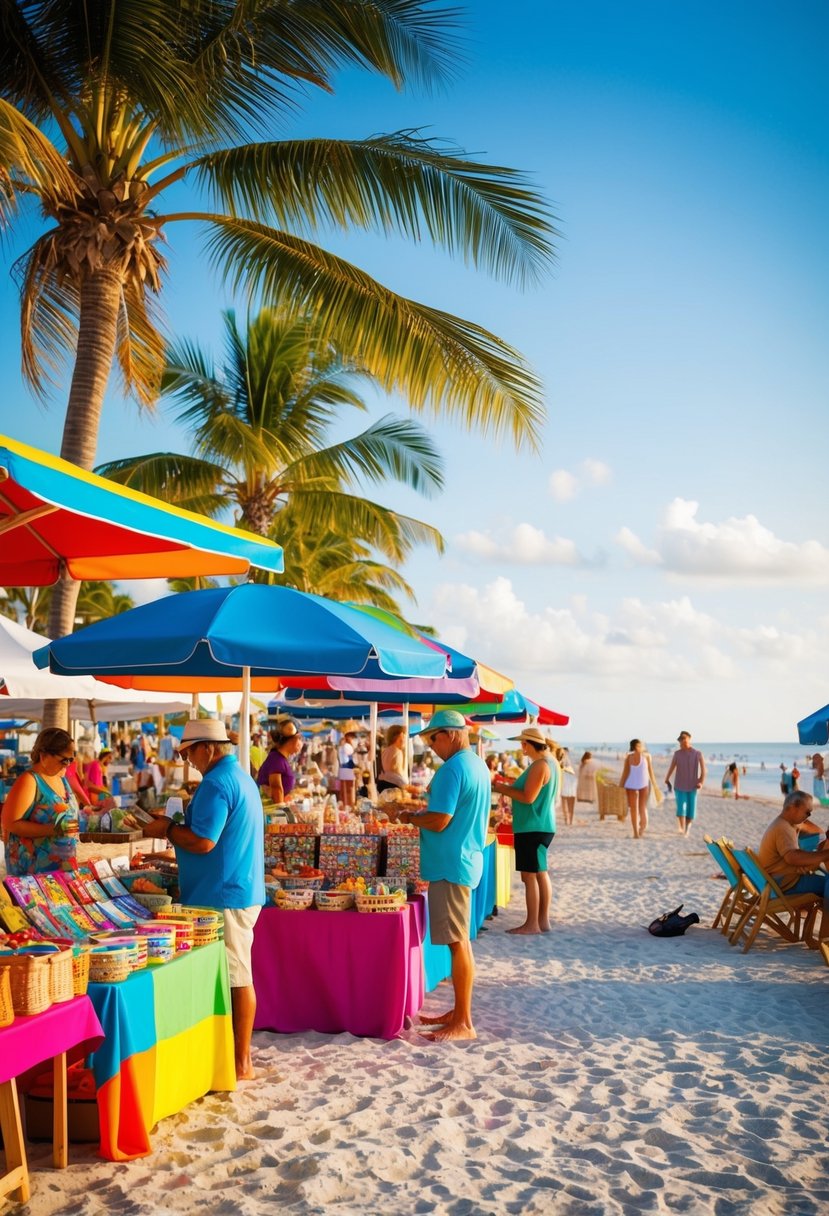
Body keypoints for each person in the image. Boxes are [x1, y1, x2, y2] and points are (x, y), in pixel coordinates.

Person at [141, 719, 265, 1080]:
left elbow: (203, 842)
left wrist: (166, 828)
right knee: (235, 973)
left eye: (188, 751)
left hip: (225, 893)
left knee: (237, 975)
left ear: (207, 748)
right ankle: (235, 1056)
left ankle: (242, 1063)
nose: (187, 759)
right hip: (235, 887)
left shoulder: (216, 782)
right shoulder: (238, 776)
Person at [391, 709, 490, 1041]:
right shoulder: (476, 764)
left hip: (451, 863)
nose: (431, 746)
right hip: (464, 859)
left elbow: (440, 819)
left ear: (449, 734)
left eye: (433, 739)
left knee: (458, 943)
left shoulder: (452, 769)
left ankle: (463, 1022)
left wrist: (408, 816)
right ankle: (459, 1012)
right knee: (459, 943)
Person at [492, 727, 559, 934]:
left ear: (529, 744)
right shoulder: (552, 763)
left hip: (532, 826)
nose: (522, 747)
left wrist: (500, 787)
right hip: (542, 824)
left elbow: (528, 797)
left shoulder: (540, 765)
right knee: (540, 873)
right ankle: (542, 922)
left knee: (529, 876)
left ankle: (532, 924)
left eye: (523, 743)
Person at [0, 727, 80, 874]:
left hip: (60, 871)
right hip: (33, 874)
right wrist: (54, 830)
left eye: (71, 759)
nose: (68, 764)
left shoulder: (61, 778)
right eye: (64, 760)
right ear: (43, 756)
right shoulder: (29, 781)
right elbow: (10, 823)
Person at [757, 790, 829, 935]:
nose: (808, 816)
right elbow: (792, 857)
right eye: (807, 812)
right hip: (784, 884)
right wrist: (825, 854)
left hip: (774, 881)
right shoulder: (783, 828)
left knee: (820, 873)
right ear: (794, 807)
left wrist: (822, 835)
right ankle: (825, 932)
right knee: (827, 882)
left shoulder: (783, 822)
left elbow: (806, 826)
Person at [664, 730, 706, 835]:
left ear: (689, 738)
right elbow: (672, 767)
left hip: (693, 786)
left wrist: (701, 782)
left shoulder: (697, 753)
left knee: (691, 811)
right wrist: (667, 778)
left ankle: (686, 828)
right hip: (679, 785)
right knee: (681, 808)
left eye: (684, 738)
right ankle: (682, 829)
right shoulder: (677, 754)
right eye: (680, 739)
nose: (682, 741)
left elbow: (703, 770)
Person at [256, 719, 303, 802]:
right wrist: (281, 810)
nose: (301, 743)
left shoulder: (280, 758)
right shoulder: (276, 759)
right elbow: (276, 789)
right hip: (270, 812)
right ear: (291, 740)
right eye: (299, 738)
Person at [619, 739, 657, 838]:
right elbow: (651, 772)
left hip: (631, 785)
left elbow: (625, 773)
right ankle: (641, 830)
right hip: (643, 785)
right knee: (642, 808)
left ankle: (636, 833)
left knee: (634, 810)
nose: (643, 746)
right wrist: (654, 784)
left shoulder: (628, 757)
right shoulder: (647, 756)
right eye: (641, 745)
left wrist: (620, 786)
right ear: (637, 746)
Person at [377, 724, 409, 793]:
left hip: (382, 783)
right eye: (402, 737)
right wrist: (406, 786)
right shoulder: (397, 751)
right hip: (393, 786)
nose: (404, 739)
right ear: (396, 737)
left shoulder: (386, 750)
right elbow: (397, 772)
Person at [337, 731, 359, 807]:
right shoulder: (347, 746)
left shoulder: (343, 746)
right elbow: (352, 756)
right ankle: (348, 804)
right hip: (348, 770)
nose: (353, 739)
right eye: (352, 738)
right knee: (349, 789)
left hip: (344, 769)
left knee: (345, 789)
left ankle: (346, 804)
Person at [558, 748, 576, 826]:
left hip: (567, 783)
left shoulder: (560, 761)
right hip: (571, 782)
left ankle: (567, 819)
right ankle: (570, 820)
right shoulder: (572, 760)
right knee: (570, 803)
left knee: (565, 803)